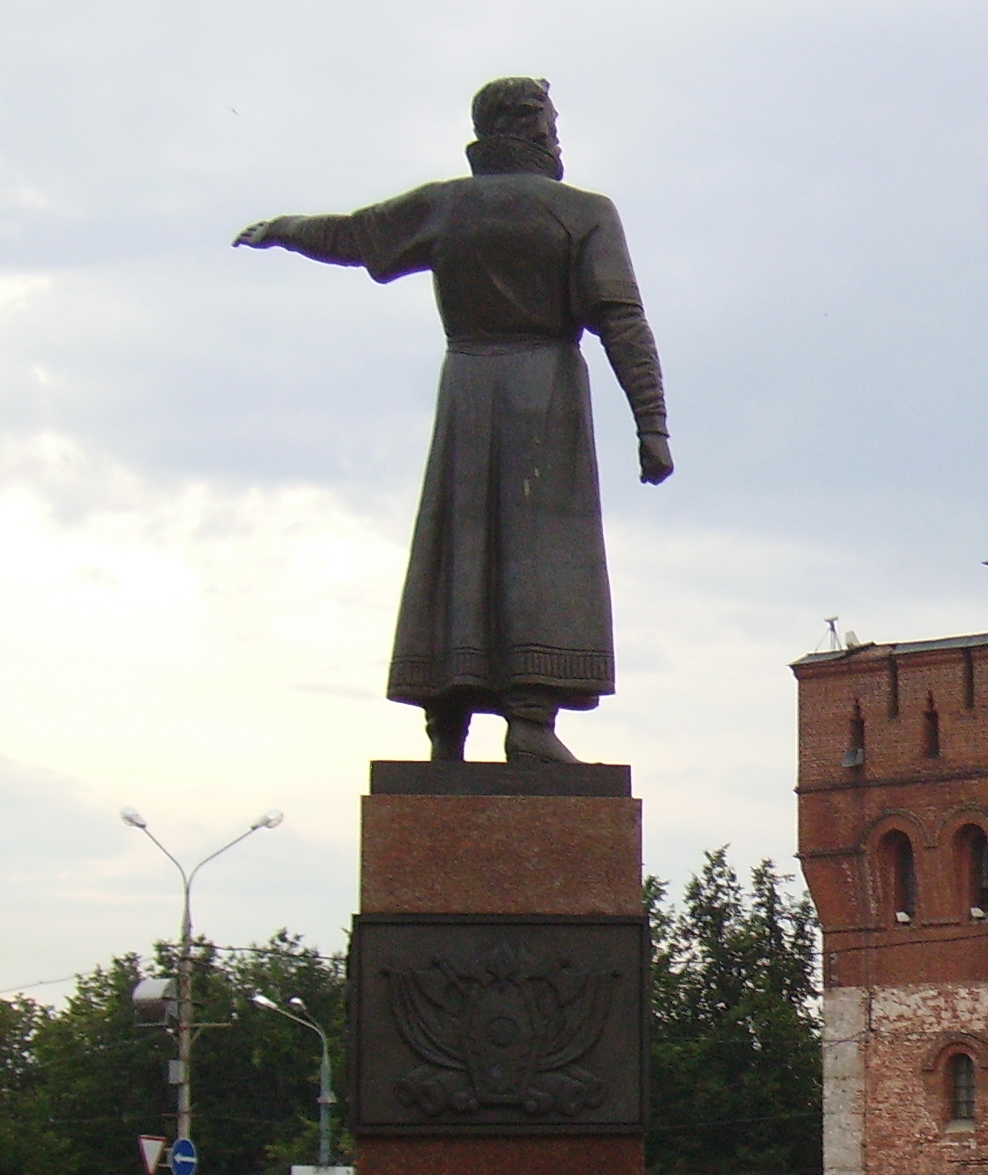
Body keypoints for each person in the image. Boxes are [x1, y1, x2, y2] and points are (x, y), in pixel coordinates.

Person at [233, 77, 672, 764]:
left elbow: (353, 235)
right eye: (552, 122)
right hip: (544, 394)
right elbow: (621, 320)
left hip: (468, 388)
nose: (559, 135)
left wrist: (285, 230)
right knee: (542, 553)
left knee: (457, 545)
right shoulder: (584, 212)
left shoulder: (447, 206)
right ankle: (529, 721)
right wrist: (652, 425)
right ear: (530, 129)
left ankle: (448, 722)